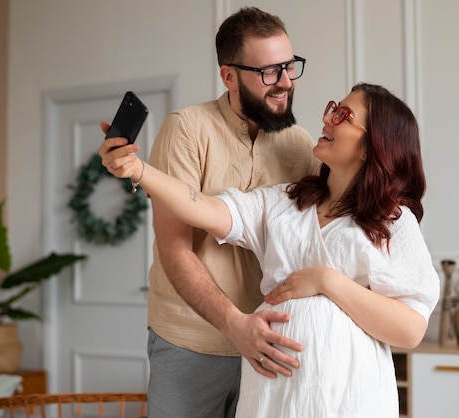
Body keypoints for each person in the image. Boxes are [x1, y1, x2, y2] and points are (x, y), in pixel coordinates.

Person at [99, 82, 440, 418]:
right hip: (271, 391)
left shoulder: (393, 221)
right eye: (333, 108)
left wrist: (327, 281)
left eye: (343, 115)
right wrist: (139, 171)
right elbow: (201, 207)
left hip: (347, 393)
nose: (327, 119)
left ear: (371, 145)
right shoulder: (284, 202)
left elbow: (411, 329)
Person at [103, 7, 320, 418]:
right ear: (229, 76)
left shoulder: (301, 144)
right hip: (191, 340)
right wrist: (235, 324)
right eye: (270, 72)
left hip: (272, 343)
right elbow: (174, 248)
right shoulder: (187, 128)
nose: (286, 83)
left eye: (290, 67)